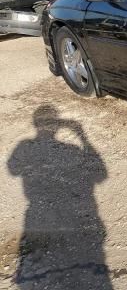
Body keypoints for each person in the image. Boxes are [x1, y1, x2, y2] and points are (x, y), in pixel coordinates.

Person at [8, 104, 111, 289]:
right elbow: (101, 174)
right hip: (76, 214)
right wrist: (81, 135)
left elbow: (13, 169)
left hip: (37, 212)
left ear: (35, 124)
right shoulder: (71, 149)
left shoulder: (24, 146)